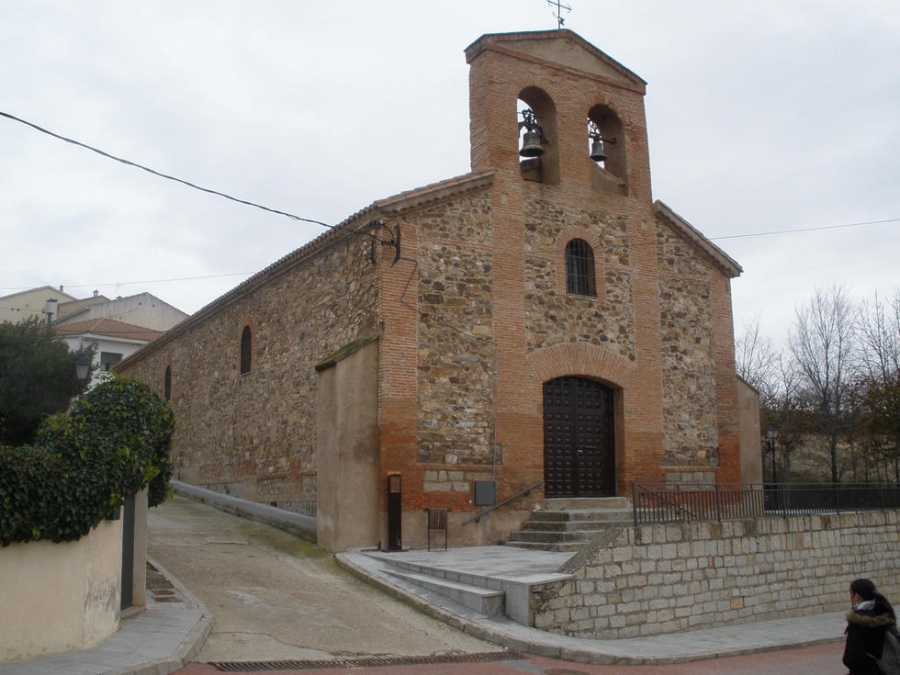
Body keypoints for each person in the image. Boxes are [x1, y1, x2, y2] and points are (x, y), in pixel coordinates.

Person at [843, 578, 898, 675]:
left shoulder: (857, 620)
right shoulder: (884, 613)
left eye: (851, 594)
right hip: (885, 670)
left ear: (856, 596)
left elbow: (851, 658)